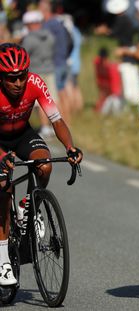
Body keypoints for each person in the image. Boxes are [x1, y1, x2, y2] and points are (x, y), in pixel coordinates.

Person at [0, 43, 82, 285]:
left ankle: (29, 204)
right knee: (4, 186)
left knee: (44, 164)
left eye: (22, 76)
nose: (18, 83)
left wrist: (70, 147)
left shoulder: (35, 83)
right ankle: (3, 257)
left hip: (23, 134)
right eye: (11, 78)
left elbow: (56, 119)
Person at [21, 9, 57, 138]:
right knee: (50, 100)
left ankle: (44, 127)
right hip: (50, 70)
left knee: (39, 102)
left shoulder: (29, 38)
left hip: (36, 73)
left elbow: (23, 56)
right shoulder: (49, 35)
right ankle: (52, 125)